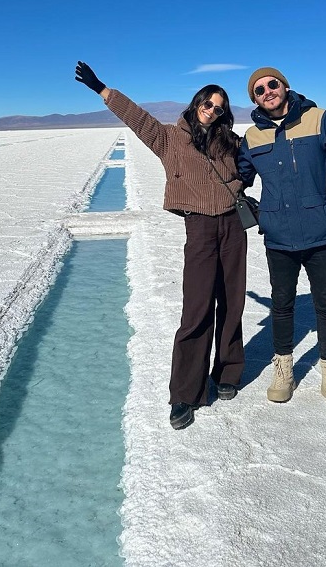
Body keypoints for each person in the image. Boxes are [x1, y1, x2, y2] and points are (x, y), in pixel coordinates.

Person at [75, 60, 247, 430]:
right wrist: (102, 89)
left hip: (233, 226)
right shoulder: (169, 138)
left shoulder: (230, 141)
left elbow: (249, 167)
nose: (212, 111)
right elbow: (136, 118)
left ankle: (229, 371)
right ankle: (185, 393)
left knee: (232, 302)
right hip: (199, 228)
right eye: (207, 104)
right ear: (196, 103)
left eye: (219, 108)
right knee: (197, 309)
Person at [237, 67, 326, 411]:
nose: (267, 91)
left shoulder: (319, 119)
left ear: (285, 86)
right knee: (282, 304)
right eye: (259, 90)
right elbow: (238, 176)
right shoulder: (252, 136)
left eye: (272, 84)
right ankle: (284, 370)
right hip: (278, 236)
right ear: (255, 99)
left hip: (320, 232)